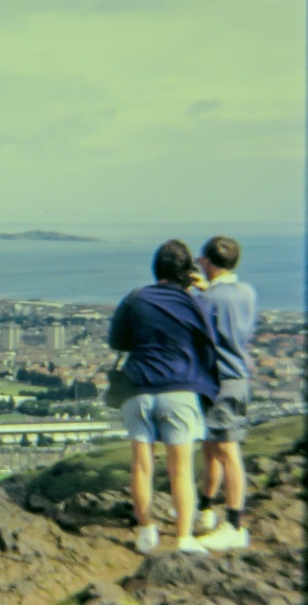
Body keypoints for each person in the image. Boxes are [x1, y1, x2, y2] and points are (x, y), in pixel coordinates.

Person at [107, 239, 218, 555]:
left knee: (141, 465)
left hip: (138, 387)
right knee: (180, 469)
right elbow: (209, 343)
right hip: (180, 390)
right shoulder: (194, 303)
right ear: (187, 271)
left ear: (156, 269)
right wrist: (201, 289)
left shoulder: (135, 299)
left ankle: (146, 532)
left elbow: (118, 341)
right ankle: (183, 537)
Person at [194, 236, 256, 550]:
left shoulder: (206, 299)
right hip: (238, 377)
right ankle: (205, 510)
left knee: (227, 452)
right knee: (213, 446)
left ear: (208, 262)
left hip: (220, 380)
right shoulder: (246, 292)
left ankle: (233, 525)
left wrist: (197, 292)